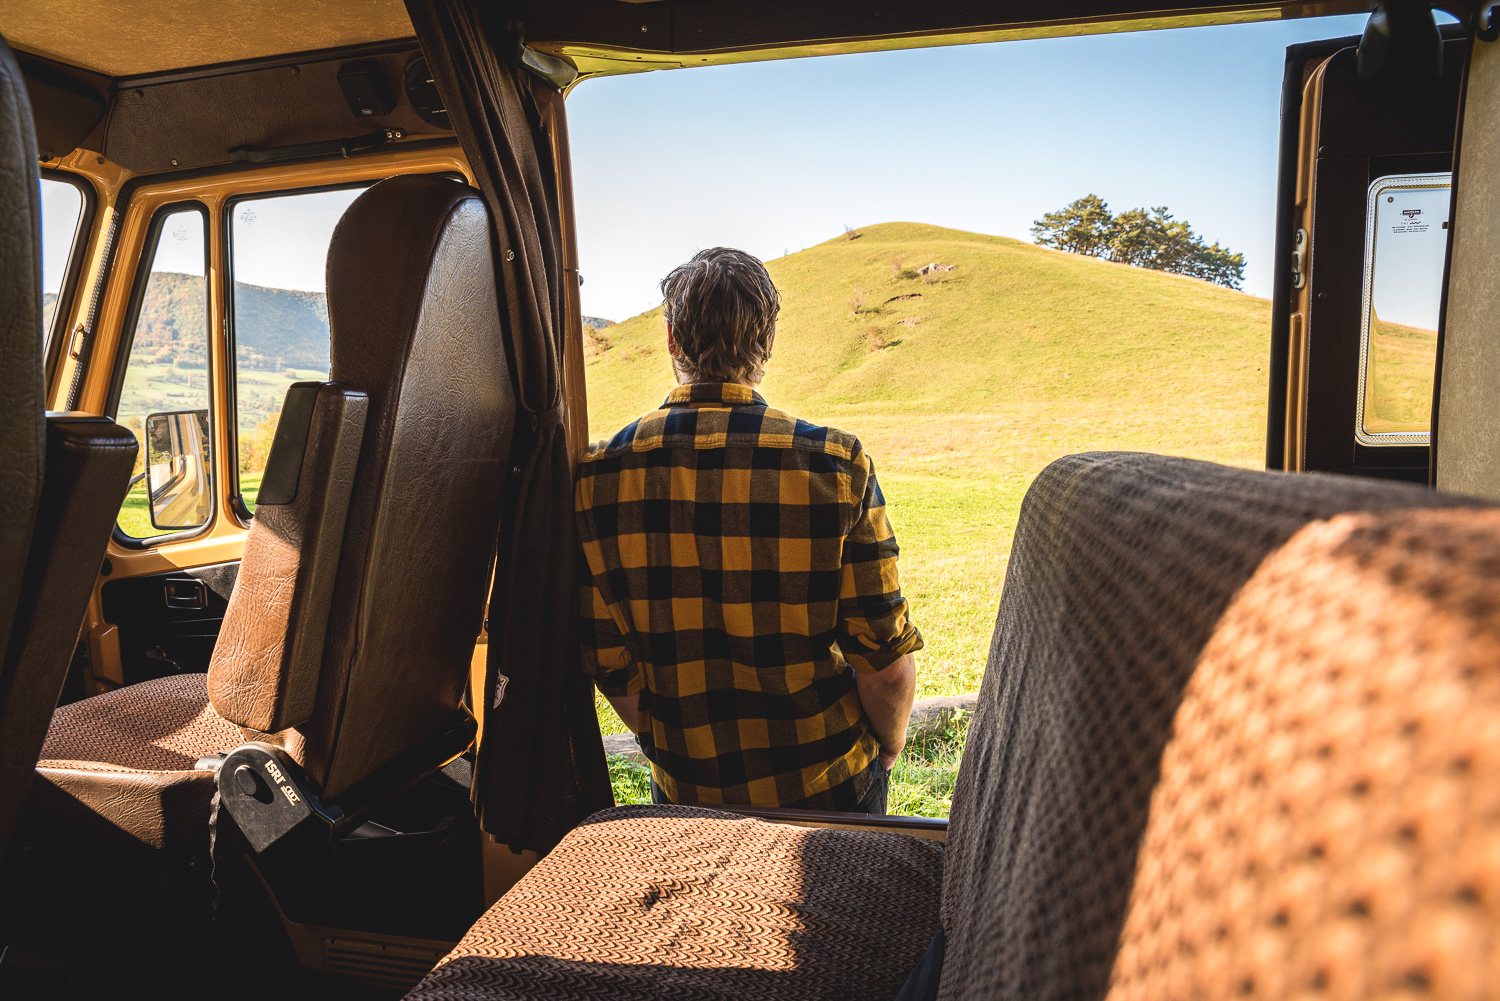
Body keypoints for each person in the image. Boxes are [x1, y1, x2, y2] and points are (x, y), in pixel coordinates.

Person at [575, 247, 922, 814]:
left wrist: (677, 750)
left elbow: (612, 665)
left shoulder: (597, 475)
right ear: (768, 339)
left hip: (688, 793)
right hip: (828, 783)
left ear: (670, 338)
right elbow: (882, 659)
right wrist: (891, 743)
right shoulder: (836, 462)